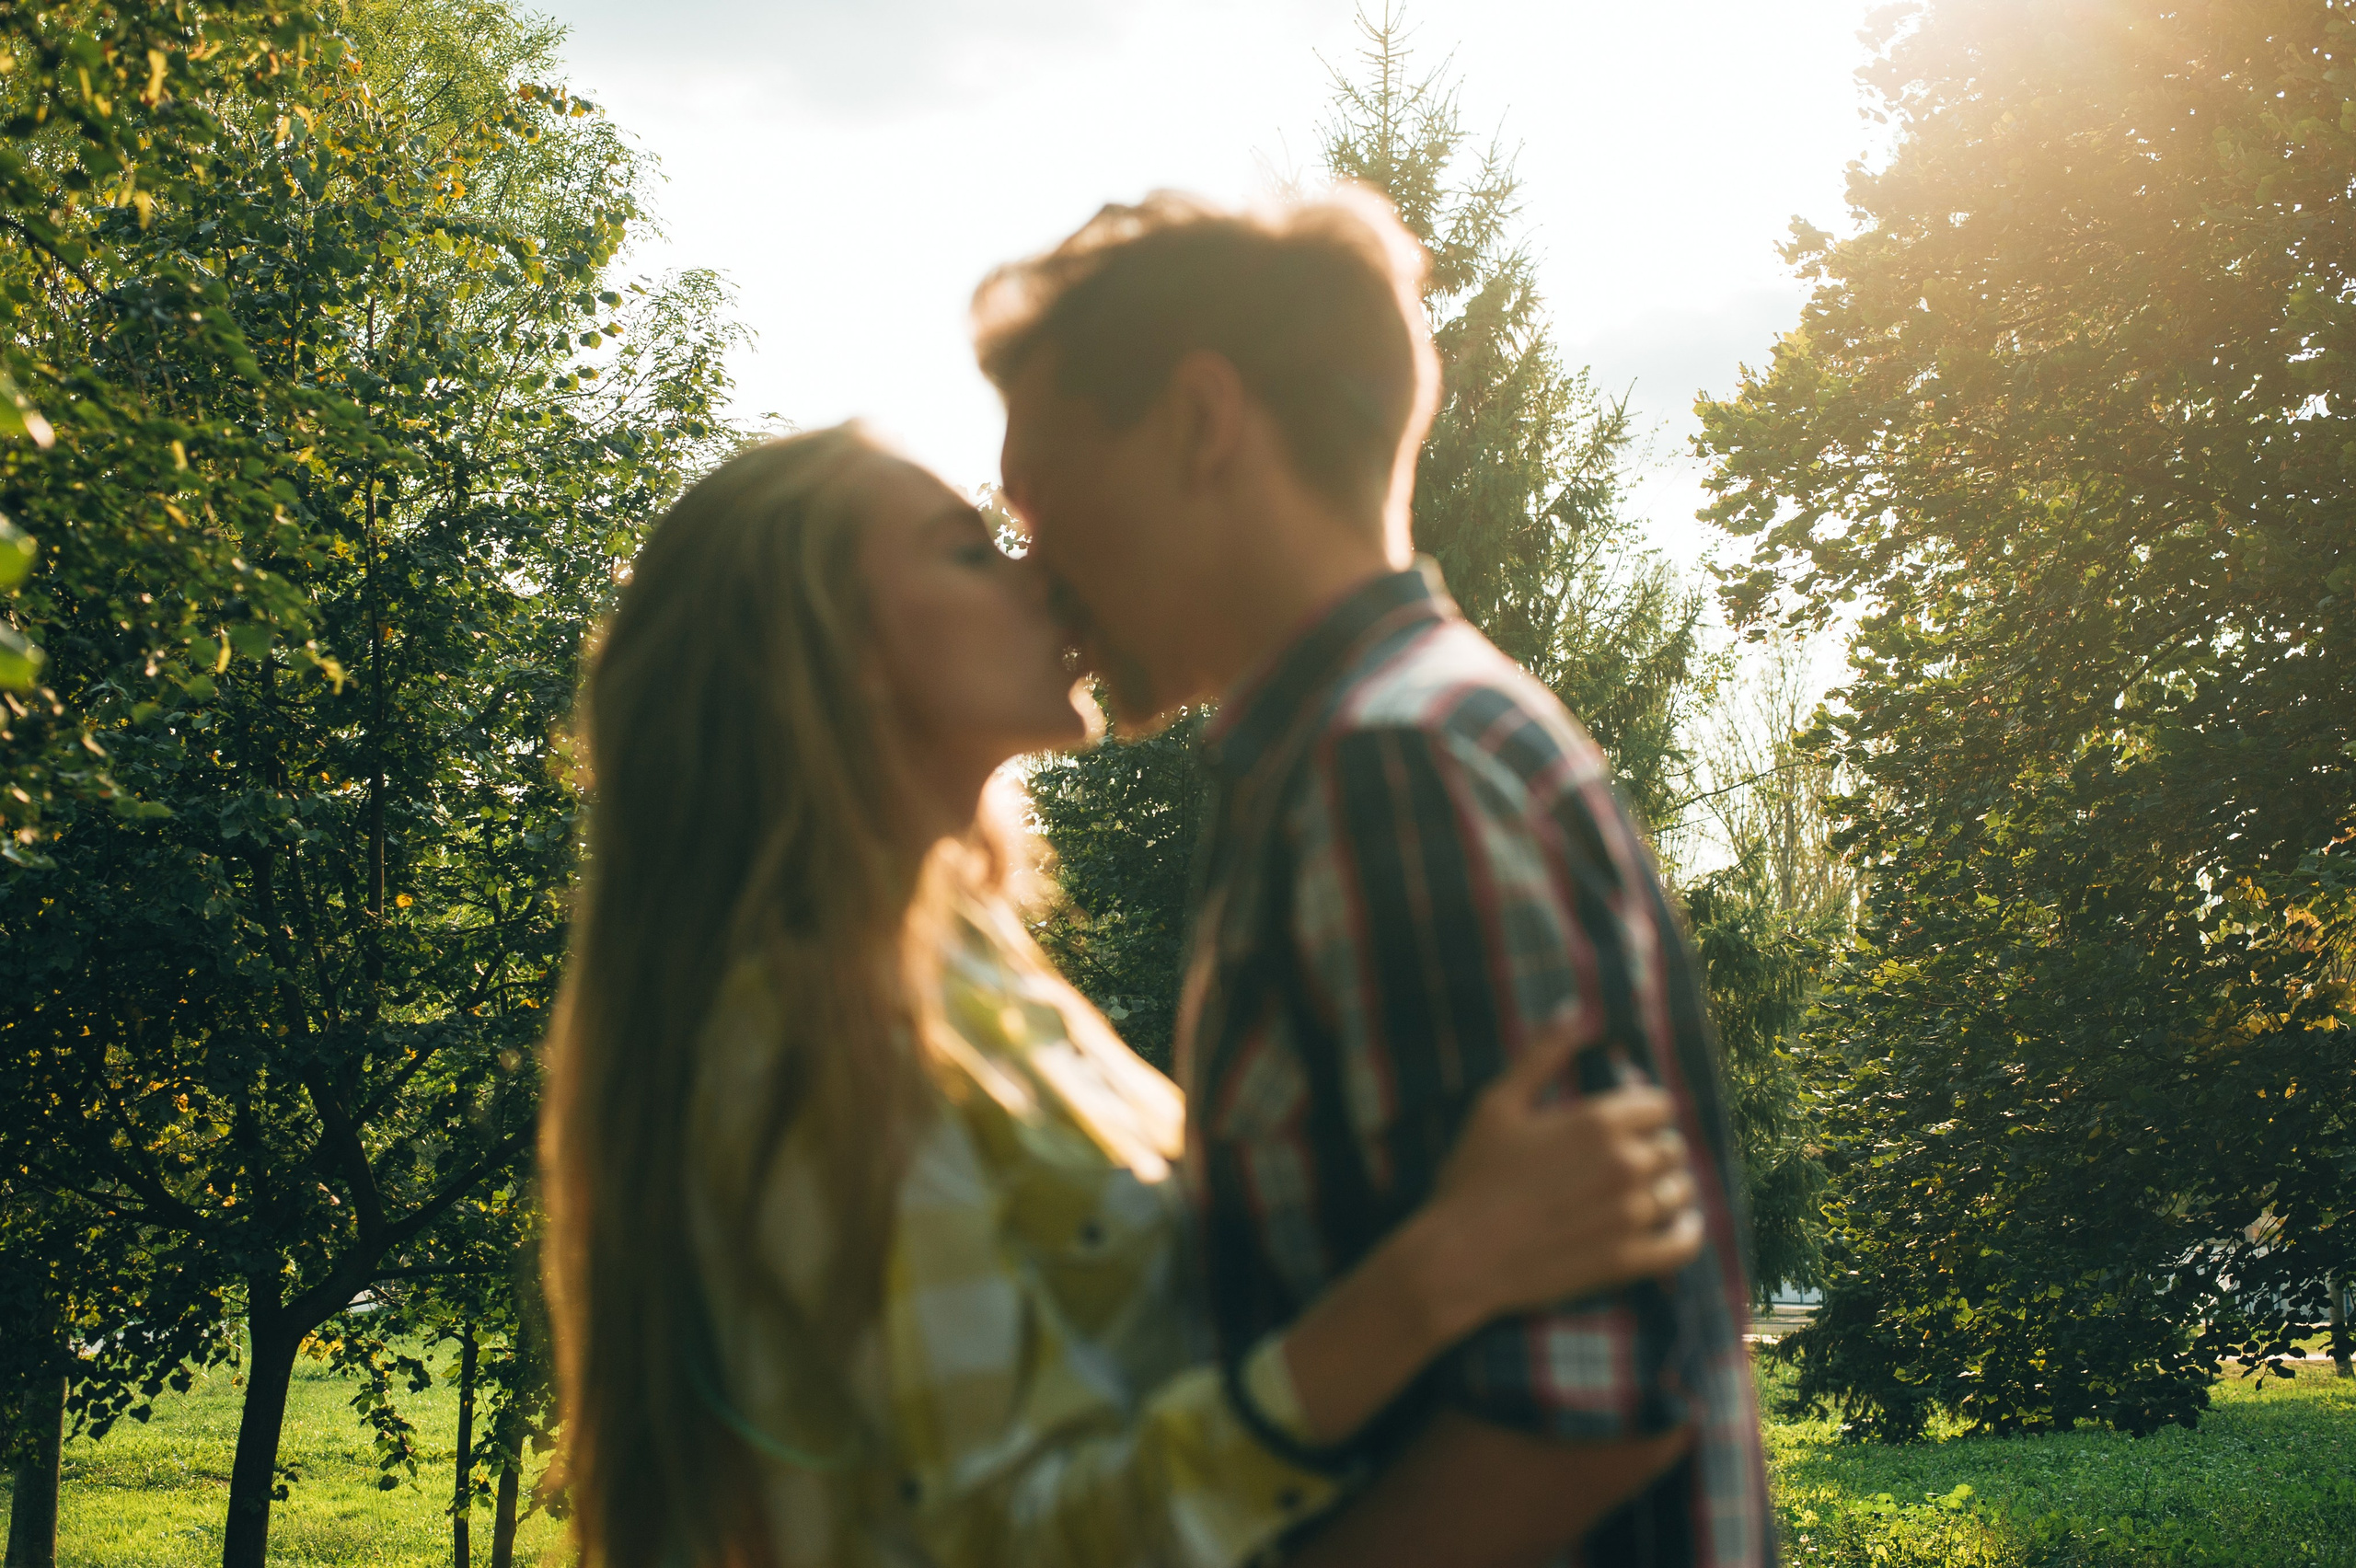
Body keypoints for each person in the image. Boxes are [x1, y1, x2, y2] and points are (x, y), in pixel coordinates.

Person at [538, 424, 1709, 1568]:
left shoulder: (978, 969)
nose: (1040, 575)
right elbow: (1013, 1538)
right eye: (964, 550)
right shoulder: (797, 1030)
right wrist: (1432, 1280)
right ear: (835, 650)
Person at [980, 189, 1772, 1567]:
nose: (1039, 575)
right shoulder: (1394, 742)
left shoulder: (1387, 772)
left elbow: (1578, 1421)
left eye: (1040, 498)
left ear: (1201, 423)